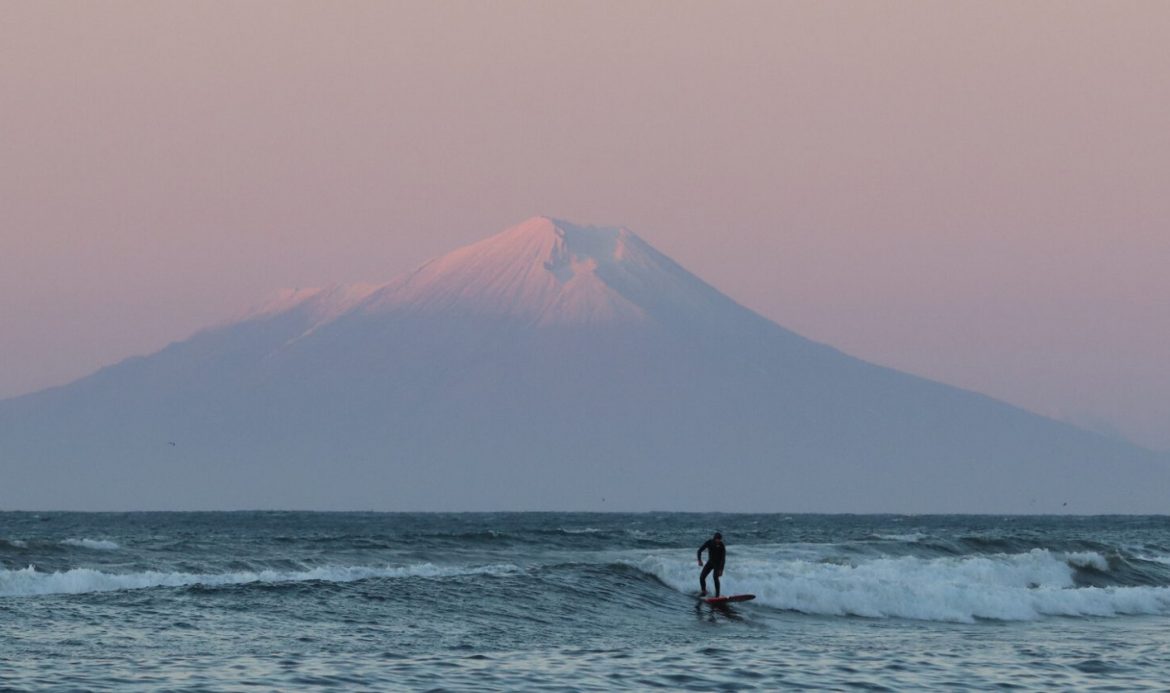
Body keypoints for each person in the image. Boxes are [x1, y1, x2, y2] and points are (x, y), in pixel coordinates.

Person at [696, 531, 726, 597]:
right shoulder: (709, 542)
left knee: (715, 577)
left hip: (718, 564)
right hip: (710, 562)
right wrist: (699, 560)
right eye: (717, 539)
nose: (719, 541)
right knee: (702, 577)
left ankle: (717, 595)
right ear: (714, 538)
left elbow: (723, 559)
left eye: (720, 539)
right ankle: (704, 591)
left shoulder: (721, 545)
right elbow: (699, 550)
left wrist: (721, 569)